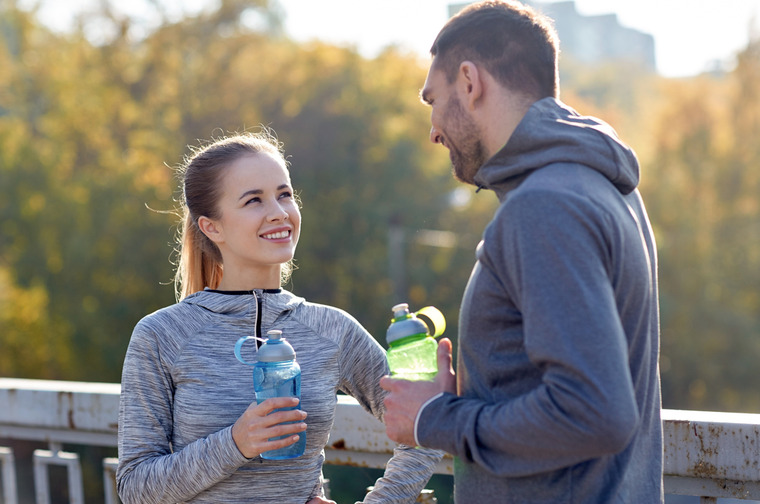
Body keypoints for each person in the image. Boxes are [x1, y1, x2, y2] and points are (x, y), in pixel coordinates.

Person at [380, 1, 663, 503]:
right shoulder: (604, 187)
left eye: (433, 100)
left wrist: (435, 418)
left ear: (469, 81)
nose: (434, 130)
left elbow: (596, 412)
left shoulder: (543, 206)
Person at [116, 129, 442, 504]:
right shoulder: (161, 335)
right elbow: (135, 488)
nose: (279, 213)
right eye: (254, 200)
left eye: (284, 194)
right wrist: (237, 442)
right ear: (212, 226)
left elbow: (426, 423)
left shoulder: (331, 329)